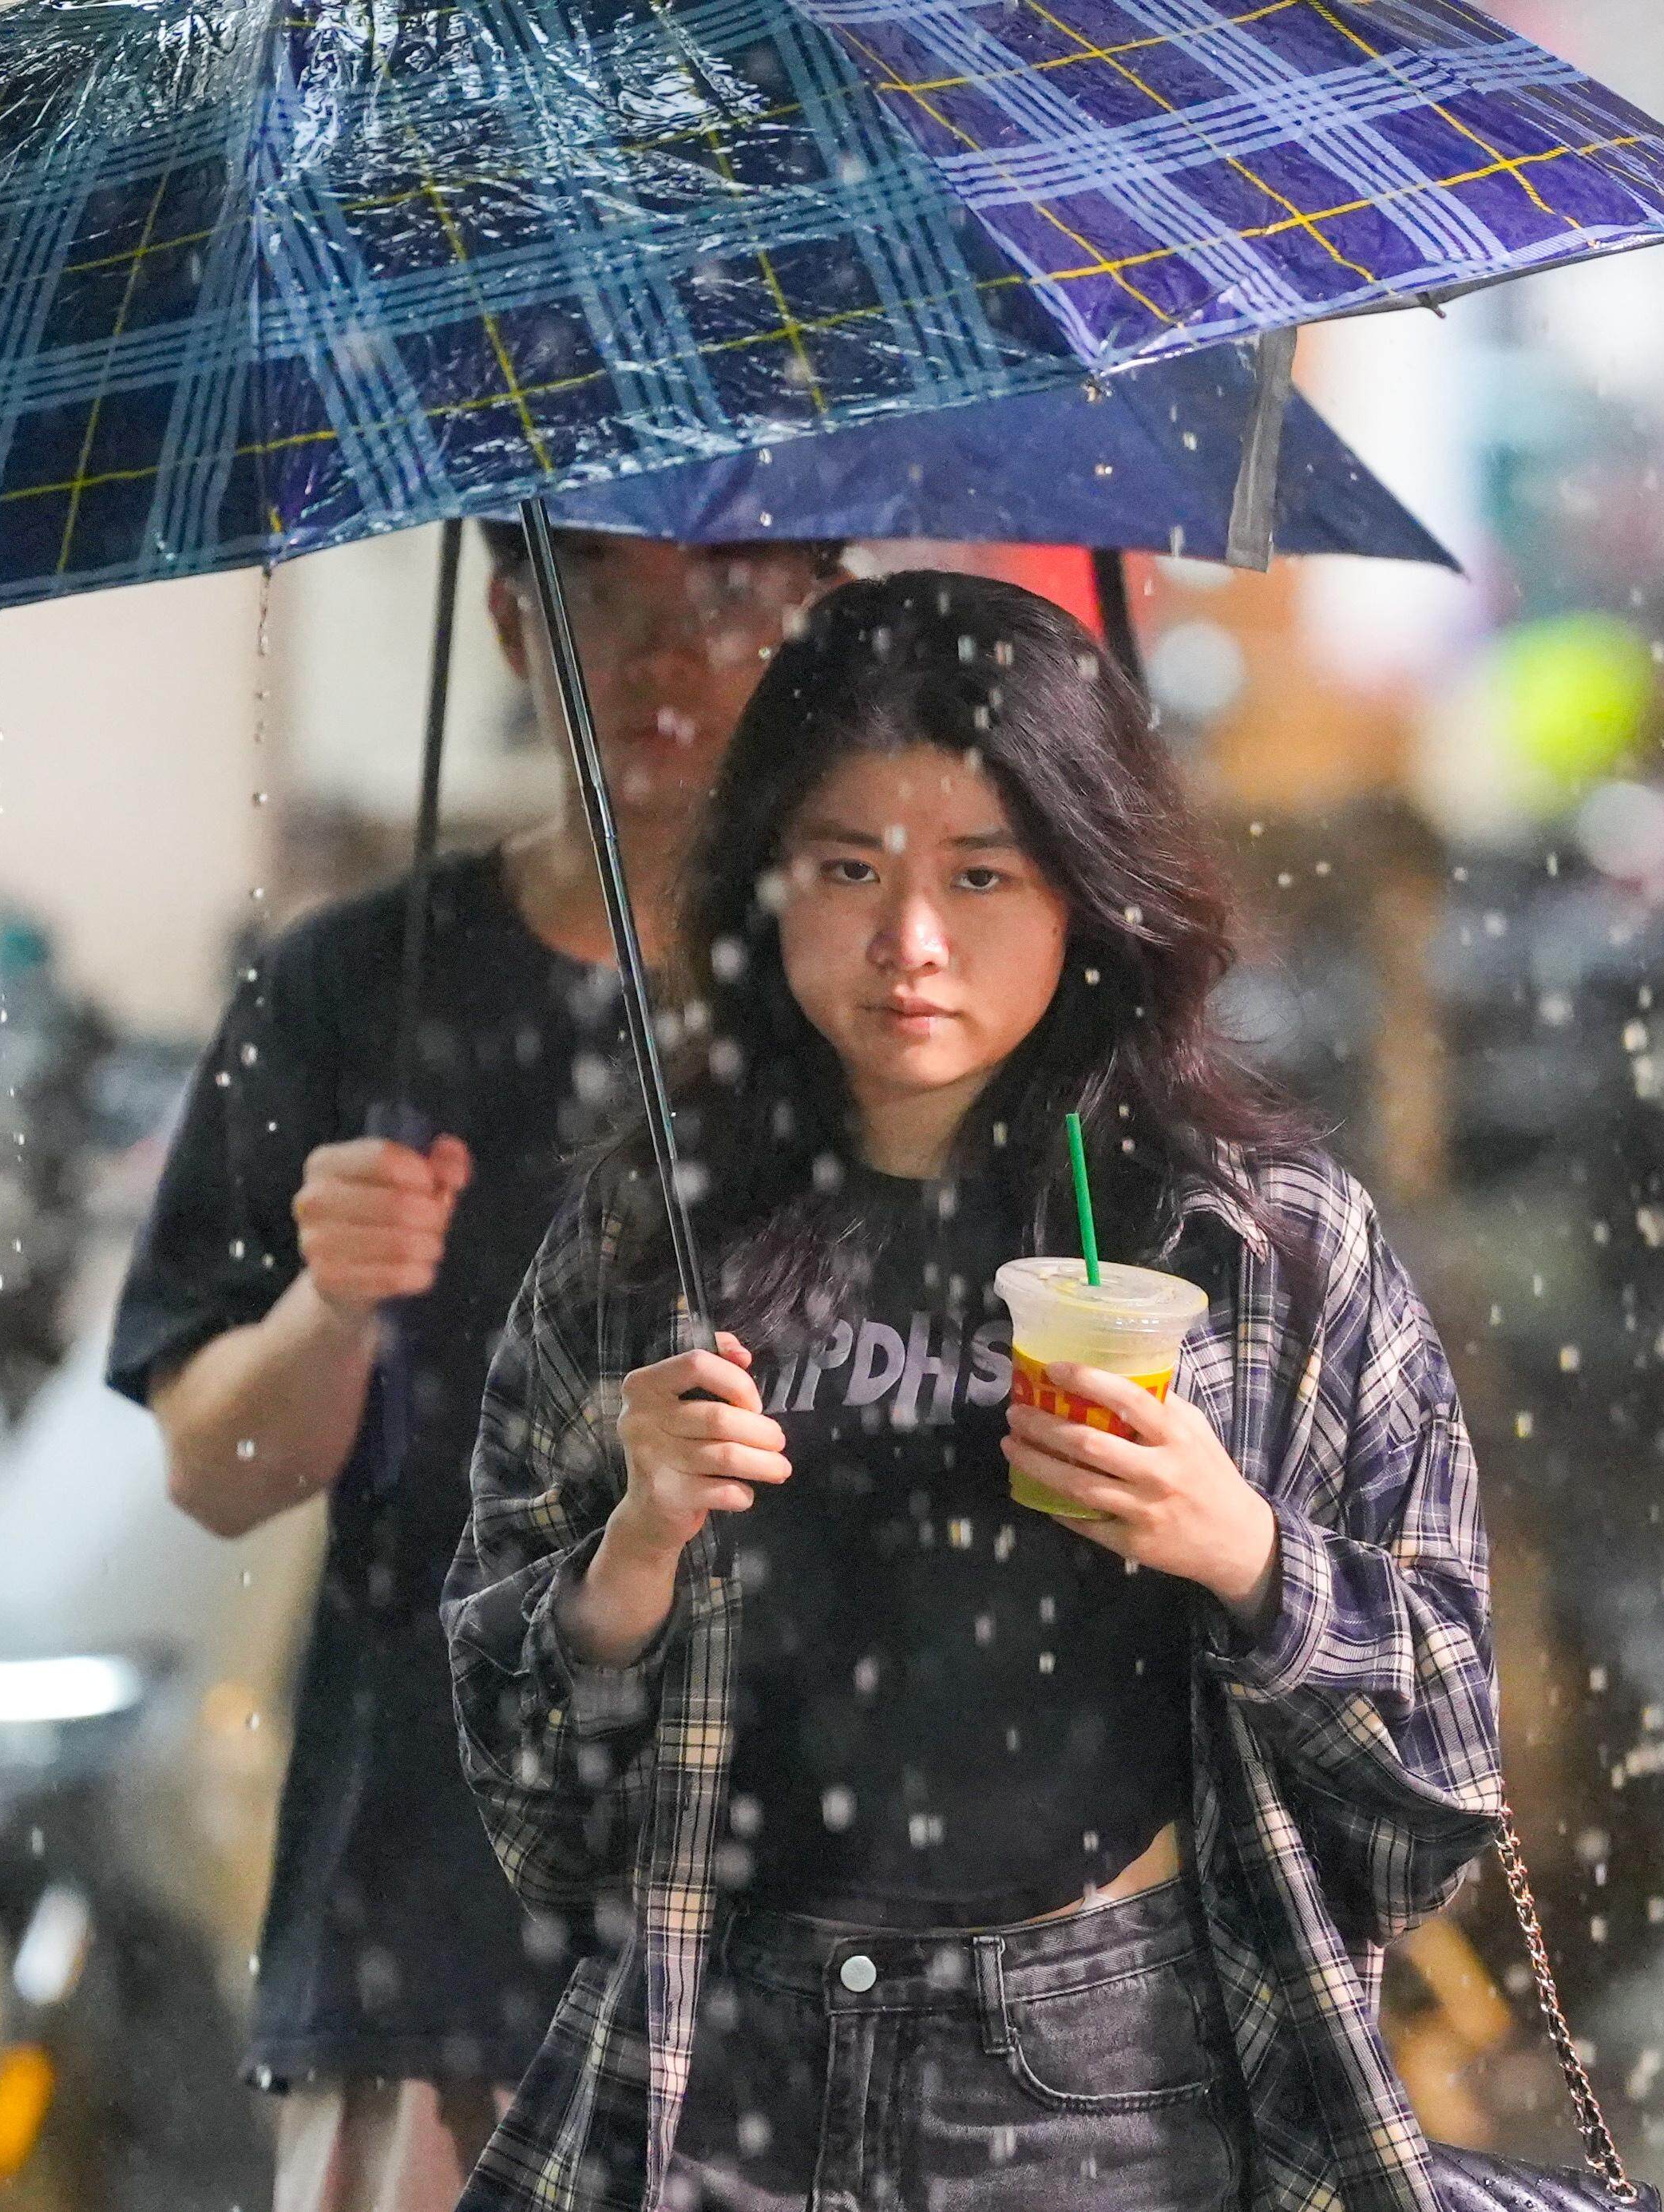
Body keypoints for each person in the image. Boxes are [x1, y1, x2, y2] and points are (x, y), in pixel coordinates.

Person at [444, 572, 1505, 2212]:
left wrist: (1236, 1546)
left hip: (1110, 2081)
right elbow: (535, 1824)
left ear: (1087, 892)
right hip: (721, 2076)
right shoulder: (647, 1240)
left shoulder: (1255, 1248)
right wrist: (627, 1562)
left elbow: (1435, 1798)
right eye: (847, 870)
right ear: (763, 892)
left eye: (982, 875)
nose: (908, 943)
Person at [107, 524, 842, 2212]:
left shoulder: (873, 996)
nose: (667, 658)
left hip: (810, 1919)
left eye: (729, 597)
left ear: (814, 622)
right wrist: (334, 1303)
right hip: (424, 1906)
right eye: (607, 598)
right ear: (513, 621)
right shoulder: (351, 989)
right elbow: (217, 1471)